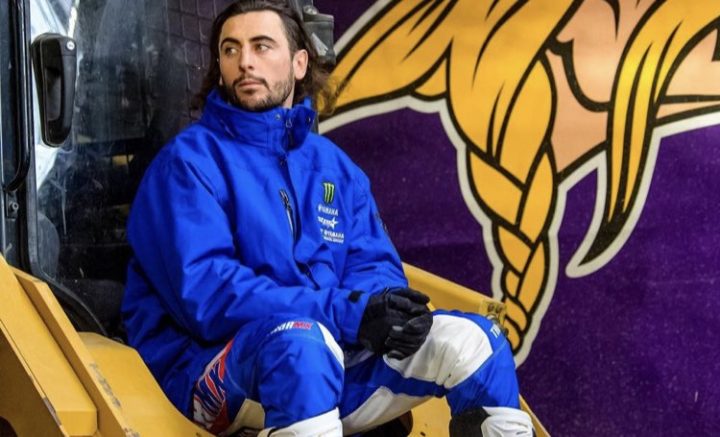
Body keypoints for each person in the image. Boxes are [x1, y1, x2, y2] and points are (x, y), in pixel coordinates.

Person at [121, 1, 533, 435]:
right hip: (210, 370)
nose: (244, 62)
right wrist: (350, 315)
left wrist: (383, 314)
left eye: (261, 46)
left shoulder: (333, 166)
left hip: (326, 353)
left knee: (477, 342)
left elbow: (372, 263)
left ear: (299, 63)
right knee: (301, 347)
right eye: (230, 49)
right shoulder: (187, 164)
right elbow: (209, 295)